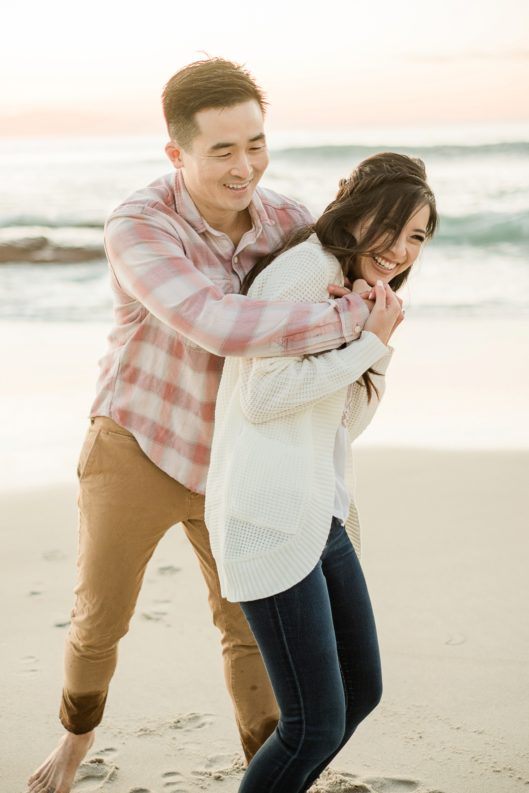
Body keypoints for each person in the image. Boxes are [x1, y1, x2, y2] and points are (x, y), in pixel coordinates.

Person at [27, 58, 375, 793]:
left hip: (238, 460)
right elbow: (215, 323)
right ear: (177, 153)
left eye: (255, 143)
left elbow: (356, 280)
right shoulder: (138, 224)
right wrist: (351, 318)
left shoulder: (289, 221)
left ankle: (268, 768)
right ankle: (76, 736)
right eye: (222, 149)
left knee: (249, 627)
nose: (244, 166)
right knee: (99, 619)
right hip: (138, 445)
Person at [205, 152, 438, 793]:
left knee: (360, 690)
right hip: (266, 517)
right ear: (354, 213)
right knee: (312, 724)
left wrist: (375, 347)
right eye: (389, 227)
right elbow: (264, 399)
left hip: (318, 513)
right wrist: (368, 340)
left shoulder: (352, 287)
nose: (398, 250)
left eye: (416, 236)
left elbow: (342, 422)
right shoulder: (303, 274)